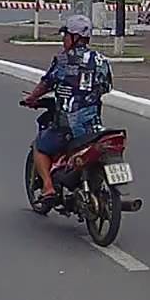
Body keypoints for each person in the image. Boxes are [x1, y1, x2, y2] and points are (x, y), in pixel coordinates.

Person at [21, 14, 112, 207]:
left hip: (67, 128)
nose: (63, 40)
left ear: (74, 37)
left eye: (65, 36)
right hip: (93, 128)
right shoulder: (100, 60)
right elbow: (106, 86)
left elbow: (47, 83)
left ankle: (48, 188)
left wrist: (31, 98)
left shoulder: (63, 60)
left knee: (40, 147)